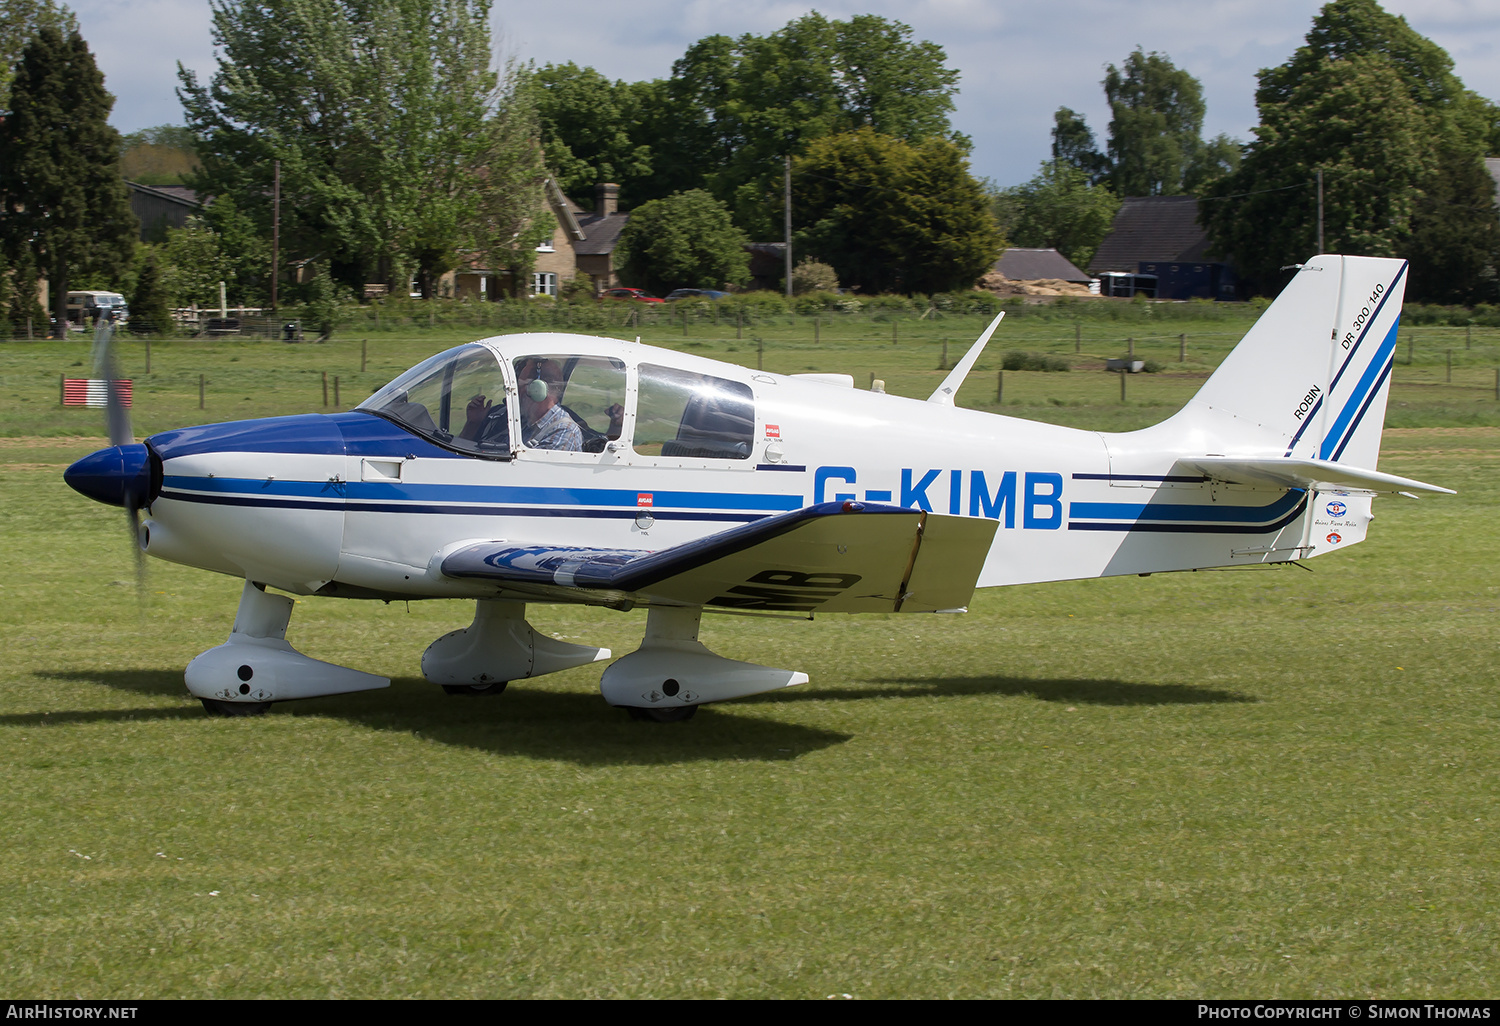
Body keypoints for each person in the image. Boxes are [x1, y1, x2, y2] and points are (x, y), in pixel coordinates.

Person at [515, 357, 583, 451]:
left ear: (538, 390)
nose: (517, 393)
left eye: (521, 386)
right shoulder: (525, 422)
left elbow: (528, 465)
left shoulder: (564, 431)